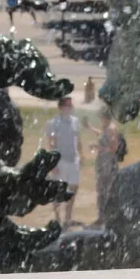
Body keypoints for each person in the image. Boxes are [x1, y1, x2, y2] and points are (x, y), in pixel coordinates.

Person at [43, 97, 83, 228]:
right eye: (67, 105)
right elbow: (51, 144)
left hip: (73, 160)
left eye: (71, 106)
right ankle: (57, 219)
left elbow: (78, 140)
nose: (69, 108)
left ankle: (68, 219)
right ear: (60, 107)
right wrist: (52, 164)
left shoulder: (75, 122)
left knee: (73, 189)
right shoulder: (53, 123)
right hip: (60, 161)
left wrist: (81, 155)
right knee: (58, 191)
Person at [89, 106, 125, 227]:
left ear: (104, 117)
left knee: (107, 191)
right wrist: (89, 127)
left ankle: (107, 218)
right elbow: (102, 135)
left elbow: (113, 148)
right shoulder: (107, 127)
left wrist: (96, 147)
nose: (99, 119)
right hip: (103, 163)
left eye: (100, 116)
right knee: (101, 191)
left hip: (108, 164)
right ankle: (102, 217)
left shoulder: (111, 128)